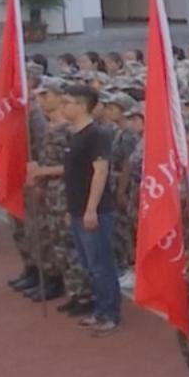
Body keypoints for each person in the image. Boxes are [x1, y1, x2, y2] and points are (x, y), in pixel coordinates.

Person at [61, 84, 122, 334]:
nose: (64, 107)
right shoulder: (74, 134)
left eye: (68, 102)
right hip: (77, 207)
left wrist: (91, 209)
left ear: (82, 104)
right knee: (89, 264)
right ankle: (99, 309)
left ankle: (110, 312)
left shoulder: (95, 135)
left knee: (101, 264)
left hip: (95, 209)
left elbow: (100, 172)